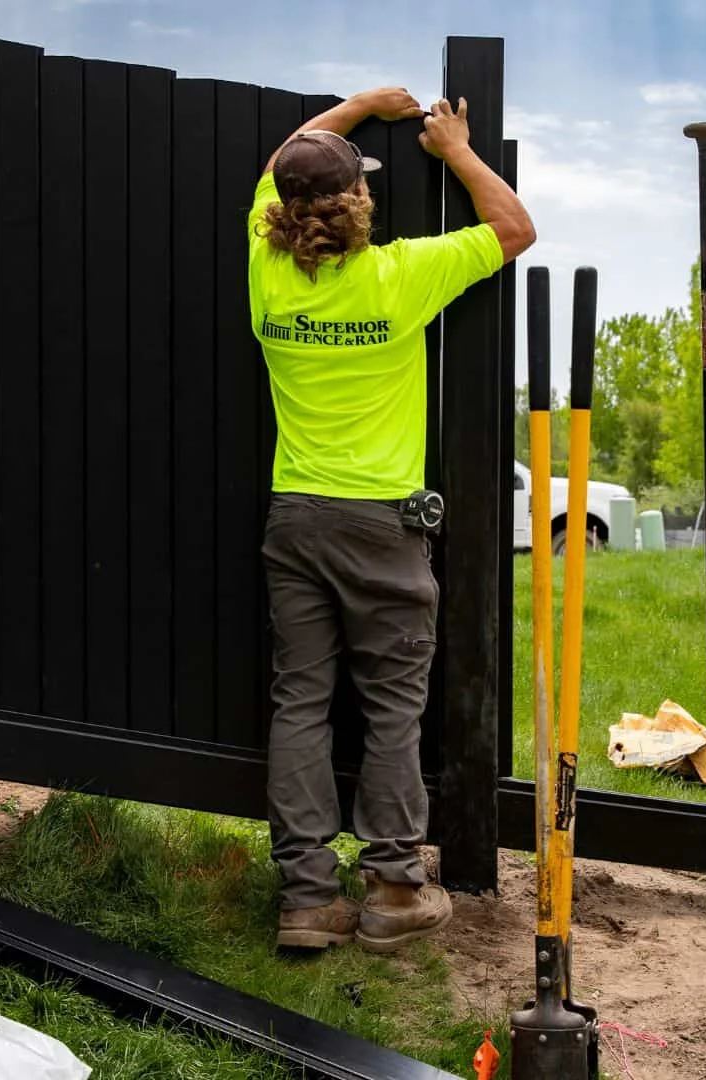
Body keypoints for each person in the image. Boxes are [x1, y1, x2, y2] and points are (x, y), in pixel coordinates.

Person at [248, 87, 535, 952]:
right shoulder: (401, 276)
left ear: (283, 209)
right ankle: (395, 891)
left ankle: (306, 900)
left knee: (300, 704)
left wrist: (360, 103)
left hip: (296, 519)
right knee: (390, 712)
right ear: (361, 201)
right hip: (381, 526)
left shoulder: (265, 268)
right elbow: (515, 228)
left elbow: (287, 155)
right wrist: (455, 149)